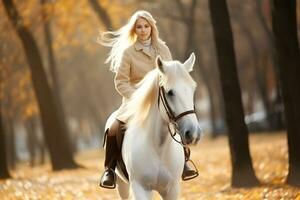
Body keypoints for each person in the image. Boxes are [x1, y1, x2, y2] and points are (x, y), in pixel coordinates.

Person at [98, 10, 198, 189]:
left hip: (161, 100)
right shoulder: (128, 52)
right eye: (139, 27)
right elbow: (120, 82)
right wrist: (137, 98)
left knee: (176, 121)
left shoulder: (163, 49)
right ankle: (110, 169)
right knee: (114, 126)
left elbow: (171, 77)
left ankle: (184, 163)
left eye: (146, 26)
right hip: (134, 101)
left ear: (152, 27)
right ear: (134, 30)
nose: (143, 30)